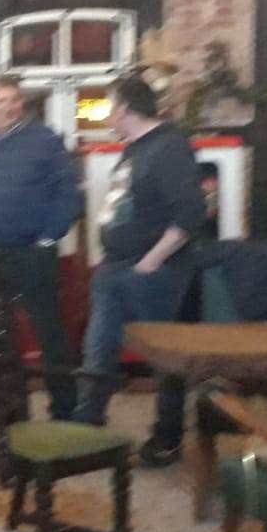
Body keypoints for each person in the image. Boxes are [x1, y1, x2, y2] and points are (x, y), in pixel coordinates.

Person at [75, 71, 205, 467]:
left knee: (164, 358)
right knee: (98, 352)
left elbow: (191, 213)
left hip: (154, 272)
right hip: (115, 268)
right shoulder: (134, 149)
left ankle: (167, 439)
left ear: (125, 109)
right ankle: (86, 433)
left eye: (109, 107)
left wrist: (153, 260)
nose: (106, 115)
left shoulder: (169, 146)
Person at [0, 74, 84, 420]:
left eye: (14, 100)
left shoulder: (46, 140)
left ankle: (65, 409)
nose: (9, 107)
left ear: (22, 104)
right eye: (1, 101)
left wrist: (49, 237)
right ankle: (1, 406)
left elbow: (68, 193)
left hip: (32, 251)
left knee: (49, 330)